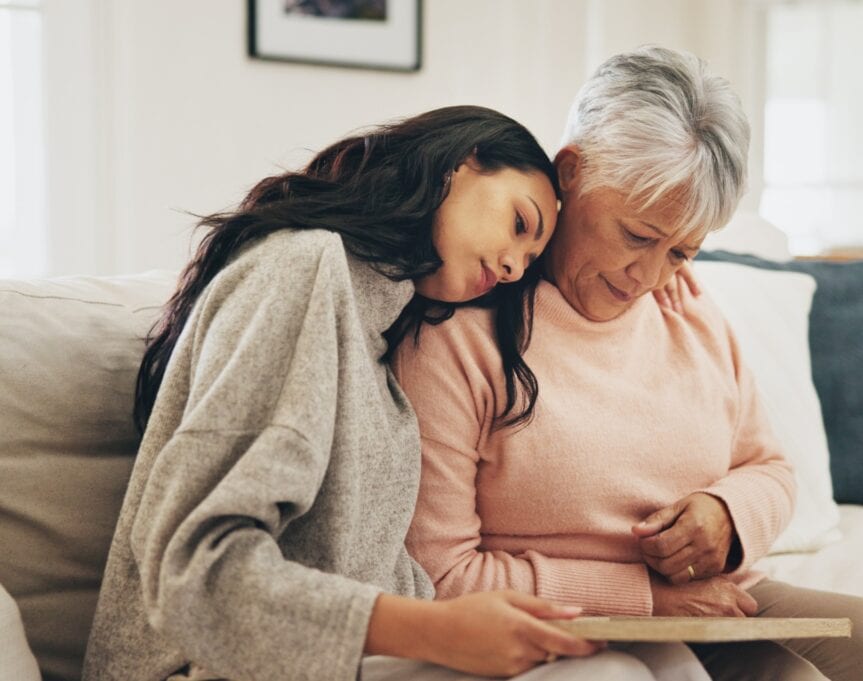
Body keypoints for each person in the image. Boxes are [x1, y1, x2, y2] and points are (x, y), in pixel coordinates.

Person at [82, 105, 689, 681]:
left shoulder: (381, 335)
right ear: (459, 163)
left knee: (667, 662)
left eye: (528, 260)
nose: (513, 268)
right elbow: (190, 572)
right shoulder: (303, 268)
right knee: (613, 675)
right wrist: (433, 630)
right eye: (519, 223)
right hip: (208, 667)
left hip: (346, 664)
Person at [393, 48, 863, 681]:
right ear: (570, 172)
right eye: (637, 236)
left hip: (701, 601)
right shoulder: (461, 326)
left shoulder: (688, 307)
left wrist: (726, 515)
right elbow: (440, 576)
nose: (649, 278)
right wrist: (641, 598)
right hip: (549, 613)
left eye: (682, 251)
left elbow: (768, 466)